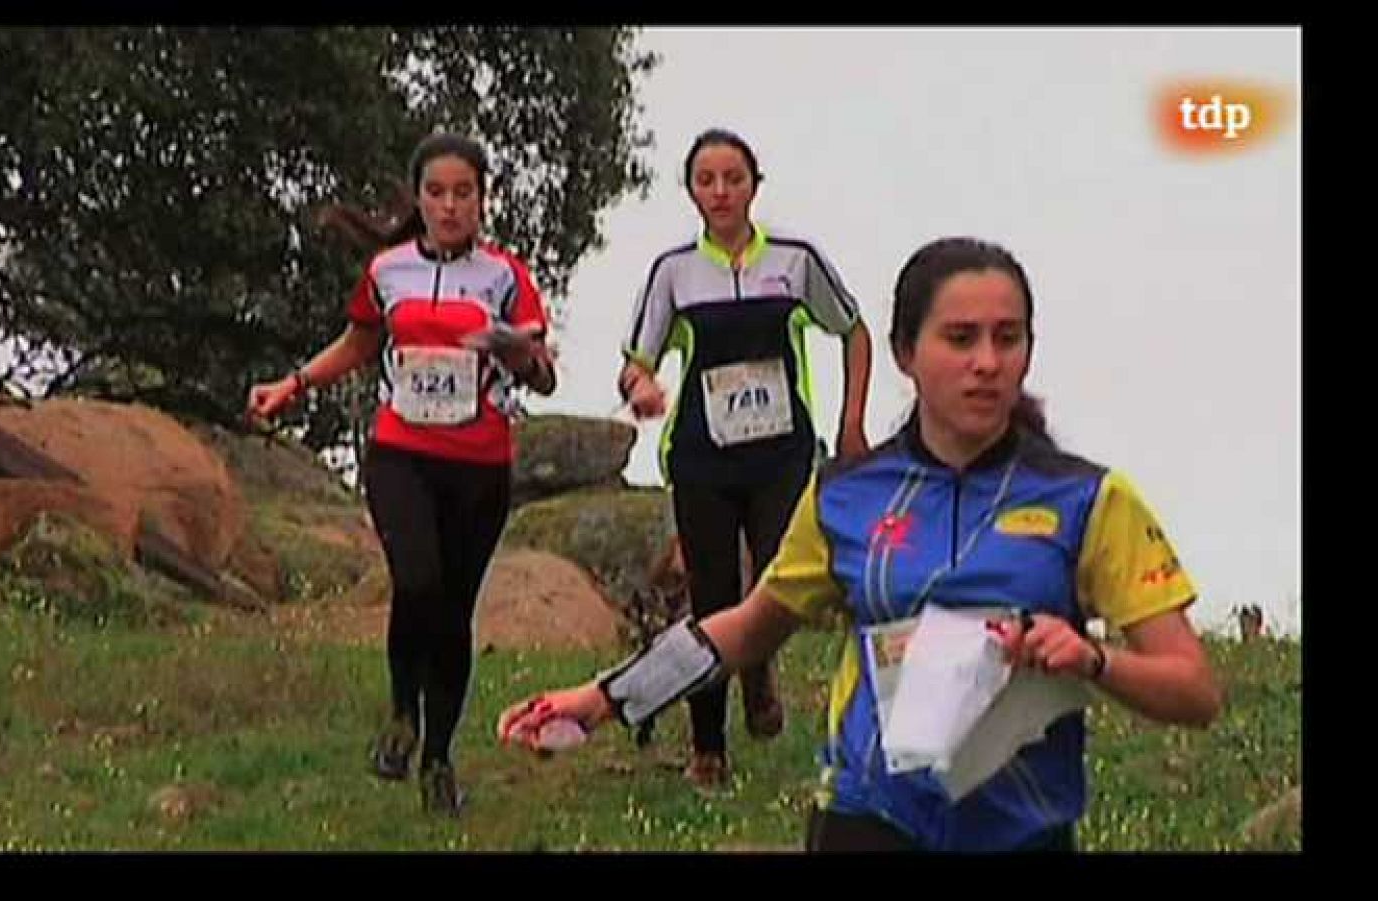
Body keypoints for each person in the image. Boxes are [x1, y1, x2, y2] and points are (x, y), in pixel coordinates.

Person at [500, 236, 1222, 852]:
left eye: (1009, 337)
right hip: (866, 818)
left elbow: (1194, 690)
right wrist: (603, 697)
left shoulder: (1089, 499)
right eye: (961, 338)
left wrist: (1092, 659)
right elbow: (748, 628)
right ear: (907, 352)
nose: (987, 362)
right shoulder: (847, 495)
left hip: (1023, 829)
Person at [248, 132, 557, 817]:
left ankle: (439, 759)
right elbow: (361, 341)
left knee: (452, 611)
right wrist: (292, 384)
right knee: (417, 579)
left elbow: (542, 371)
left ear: (483, 200)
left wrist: (520, 353)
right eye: (436, 192)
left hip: (479, 465)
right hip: (401, 453)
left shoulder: (506, 274)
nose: (449, 206)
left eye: (463, 193)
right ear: (418, 198)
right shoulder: (389, 269)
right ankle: (400, 713)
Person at [615, 128, 874, 789]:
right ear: (692, 191)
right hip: (702, 457)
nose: (721, 191)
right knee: (712, 596)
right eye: (707, 179)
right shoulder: (675, 272)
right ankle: (709, 746)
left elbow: (854, 329)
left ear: (755, 184)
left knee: (780, 583)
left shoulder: (795, 260)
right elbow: (636, 363)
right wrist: (641, 388)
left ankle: (758, 666)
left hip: (782, 455)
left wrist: (852, 424)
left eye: (734, 178)